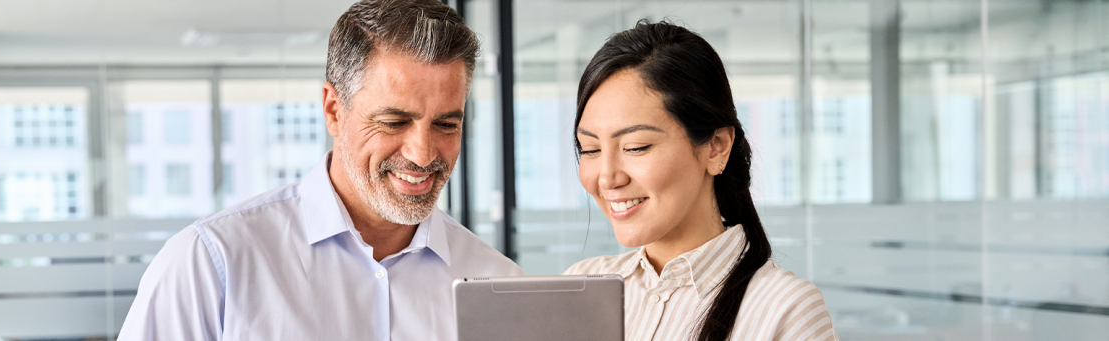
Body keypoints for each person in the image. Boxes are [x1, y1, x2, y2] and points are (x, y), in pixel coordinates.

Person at [117, 0, 522, 339]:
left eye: (446, 124)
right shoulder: (211, 262)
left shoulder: (498, 284)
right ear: (333, 110)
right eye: (394, 122)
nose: (421, 154)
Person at [563, 20, 837, 341]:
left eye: (636, 147)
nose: (608, 177)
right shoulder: (582, 283)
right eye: (591, 149)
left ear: (716, 146)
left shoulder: (784, 309)